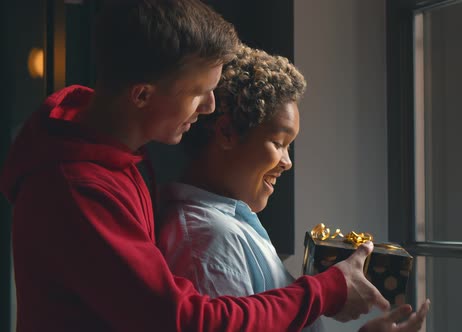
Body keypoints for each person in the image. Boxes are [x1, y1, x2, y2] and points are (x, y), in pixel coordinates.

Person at [0, 1, 427, 331]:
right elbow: (186, 322)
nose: (208, 107)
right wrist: (326, 290)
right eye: (199, 92)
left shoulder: (114, 159)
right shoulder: (75, 186)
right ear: (142, 95)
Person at [157, 44, 429, 332]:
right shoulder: (211, 244)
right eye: (278, 143)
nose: (287, 162)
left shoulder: (227, 226)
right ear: (225, 132)